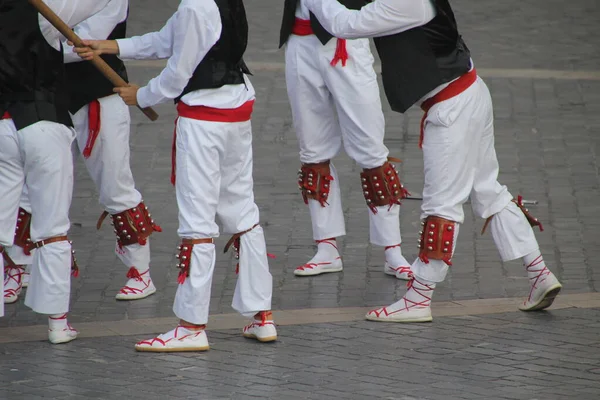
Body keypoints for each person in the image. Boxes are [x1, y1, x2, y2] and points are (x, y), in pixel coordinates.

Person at [301, 0, 562, 322]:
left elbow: (345, 25)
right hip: (466, 95)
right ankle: (539, 274)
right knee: (488, 191)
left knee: (442, 205)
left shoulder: (409, 3)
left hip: (452, 109)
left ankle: (418, 298)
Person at [74, 0, 277, 351]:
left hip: (204, 119)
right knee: (242, 210)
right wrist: (110, 46)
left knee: (198, 220)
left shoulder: (197, 5)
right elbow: (168, 39)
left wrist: (142, 95)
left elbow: (177, 72)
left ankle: (191, 325)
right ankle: (261, 316)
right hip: (234, 109)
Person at [0, 0, 114, 343]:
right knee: (52, 226)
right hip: (43, 123)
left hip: (2, 128)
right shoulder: (48, 11)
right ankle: (58, 323)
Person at [279, 0, 413, 280]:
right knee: (312, 150)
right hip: (299, 42)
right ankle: (326, 247)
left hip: (346, 40)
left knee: (371, 149)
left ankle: (392, 250)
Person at [63, 0, 161, 301]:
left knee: (115, 185)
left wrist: (25, 43)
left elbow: (77, 46)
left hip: (99, 98)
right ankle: (23, 264)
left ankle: (140, 272)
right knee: (31, 186)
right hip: (47, 99)